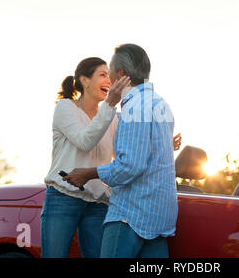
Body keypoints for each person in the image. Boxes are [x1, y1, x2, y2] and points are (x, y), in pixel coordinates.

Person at [62, 44, 179, 258]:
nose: (109, 77)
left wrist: (87, 174)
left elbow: (130, 166)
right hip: (160, 218)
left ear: (122, 74)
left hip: (131, 216)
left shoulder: (135, 107)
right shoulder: (162, 105)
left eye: (111, 71)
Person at [40, 57, 131, 258]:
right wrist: (110, 104)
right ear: (84, 80)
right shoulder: (65, 108)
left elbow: (127, 151)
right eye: (102, 75)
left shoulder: (111, 118)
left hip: (98, 202)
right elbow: (85, 141)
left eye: (110, 75)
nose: (109, 80)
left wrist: (166, 143)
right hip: (63, 197)